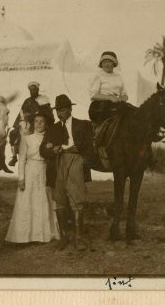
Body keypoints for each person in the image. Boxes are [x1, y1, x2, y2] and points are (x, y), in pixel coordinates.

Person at [40, 94, 95, 251]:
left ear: (70, 109)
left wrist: (81, 155)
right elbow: (43, 150)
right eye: (57, 111)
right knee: (60, 199)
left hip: (76, 161)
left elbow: (91, 148)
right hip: (58, 163)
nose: (59, 114)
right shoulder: (53, 129)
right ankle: (63, 237)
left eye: (63, 110)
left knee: (77, 198)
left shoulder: (82, 125)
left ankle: (79, 237)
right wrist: (53, 149)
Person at [5, 111, 59, 244]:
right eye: (36, 121)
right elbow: (22, 159)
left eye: (42, 121)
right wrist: (21, 178)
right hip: (30, 172)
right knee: (28, 202)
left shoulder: (49, 138)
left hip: (44, 171)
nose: (39, 124)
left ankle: (43, 235)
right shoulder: (27, 139)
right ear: (33, 124)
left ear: (46, 124)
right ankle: (25, 236)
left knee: (43, 200)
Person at [88, 51, 130, 168]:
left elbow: (125, 94)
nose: (107, 64)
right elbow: (93, 95)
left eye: (109, 62)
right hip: (100, 106)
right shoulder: (98, 75)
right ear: (101, 64)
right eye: (105, 62)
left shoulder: (119, 77)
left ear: (114, 63)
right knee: (108, 122)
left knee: (133, 113)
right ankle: (100, 146)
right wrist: (110, 98)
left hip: (117, 104)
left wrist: (122, 98)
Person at [8, 81, 51, 167]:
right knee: (13, 134)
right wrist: (17, 124)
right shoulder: (27, 101)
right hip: (27, 123)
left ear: (38, 89)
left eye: (34, 90)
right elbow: (21, 112)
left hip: (40, 123)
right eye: (31, 90)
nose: (32, 92)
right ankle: (14, 156)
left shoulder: (43, 99)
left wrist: (36, 114)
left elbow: (47, 112)